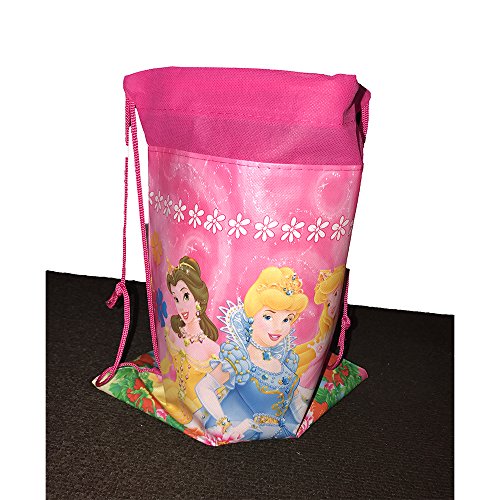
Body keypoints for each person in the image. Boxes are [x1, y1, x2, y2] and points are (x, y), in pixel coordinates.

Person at [195, 266, 310, 440]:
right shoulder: (239, 359)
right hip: (243, 432)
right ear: (251, 317)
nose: (278, 327)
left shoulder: (285, 363)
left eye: (287, 319)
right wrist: (225, 424)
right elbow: (204, 387)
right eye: (268, 317)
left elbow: (295, 403)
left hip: (282, 435)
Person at [160, 256, 220, 425]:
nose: (181, 306)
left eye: (186, 296)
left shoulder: (211, 348)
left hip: (200, 412)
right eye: (176, 298)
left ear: (198, 298)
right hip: (172, 396)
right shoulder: (173, 331)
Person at [295, 265, 346, 387]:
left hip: (311, 368)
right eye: (328, 304)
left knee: (308, 356)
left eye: (335, 294)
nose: (332, 306)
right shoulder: (323, 323)